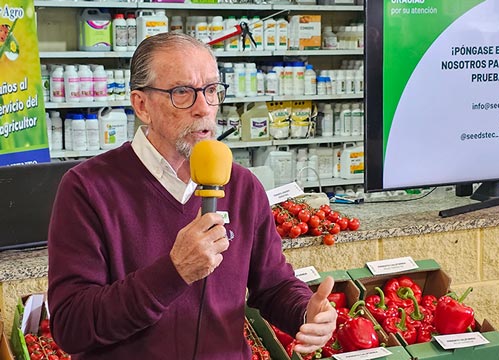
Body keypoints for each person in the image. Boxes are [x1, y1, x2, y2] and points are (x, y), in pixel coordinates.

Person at [47, 32, 337, 359]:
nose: (204, 108)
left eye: (211, 90)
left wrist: (306, 312)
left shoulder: (242, 186)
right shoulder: (87, 188)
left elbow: (273, 286)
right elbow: (71, 326)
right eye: (182, 92)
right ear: (142, 105)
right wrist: (173, 272)